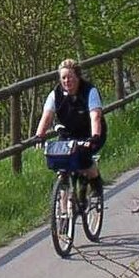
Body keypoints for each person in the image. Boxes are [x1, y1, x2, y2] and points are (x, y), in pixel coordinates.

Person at [32, 58, 105, 204]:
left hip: (89, 133)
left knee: (84, 160)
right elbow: (47, 116)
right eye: (63, 78)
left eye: (70, 77)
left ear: (77, 77)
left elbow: (95, 116)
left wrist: (95, 136)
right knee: (62, 164)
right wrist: (39, 135)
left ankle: (96, 185)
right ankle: (64, 213)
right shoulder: (55, 94)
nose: (67, 81)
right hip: (68, 133)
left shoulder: (90, 91)